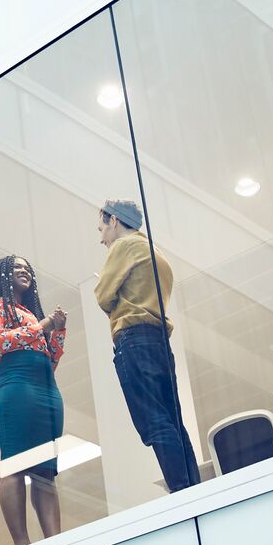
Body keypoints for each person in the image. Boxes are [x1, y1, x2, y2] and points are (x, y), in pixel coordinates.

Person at [96, 199, 200, 493]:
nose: (101, 237)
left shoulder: (123, 247)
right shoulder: (156, 253)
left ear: (114, 221)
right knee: (173, 421)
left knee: (154, 422)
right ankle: (193, 487)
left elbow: (103, 297)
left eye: (102, 227)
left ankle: (181, 491)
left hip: (134, 340)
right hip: (158, 341)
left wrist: (106, 285)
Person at [0, 255, 68, 545]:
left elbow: (53, 358)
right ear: (2, 276)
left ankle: (54, 542)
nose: (24, 272)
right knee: (14, 463)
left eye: (27, 269)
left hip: (46, 387)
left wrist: (57, 329)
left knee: (46, 470)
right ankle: (21, 543)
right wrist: (44, 325)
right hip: (17, 384)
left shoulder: (32, 314)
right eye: (16, 268)